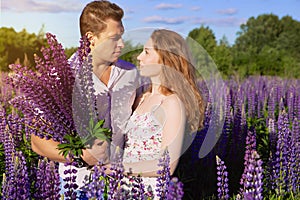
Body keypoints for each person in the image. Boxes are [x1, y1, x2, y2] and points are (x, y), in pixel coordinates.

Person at [31, 0, 139, 197]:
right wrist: (81, 157)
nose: (122, 44)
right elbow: (37, 141)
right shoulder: (61, 76)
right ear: (91, 38)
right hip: (77, 185)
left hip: (124, 184)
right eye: (114, 38)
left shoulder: (131, 73)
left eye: (121, 36)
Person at [120, 29, 205, 198]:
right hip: (124, 188)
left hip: (151, 191)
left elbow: (168, 164)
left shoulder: (171, 103)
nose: (139, 57)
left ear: (166, 59)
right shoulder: (141, 96)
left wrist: (120, 167)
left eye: (146, 52)